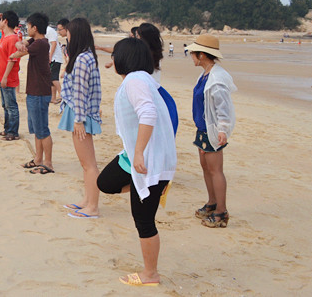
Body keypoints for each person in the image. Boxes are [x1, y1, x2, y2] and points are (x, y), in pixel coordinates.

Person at [97, 38, 176, 287]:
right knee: (105, 182)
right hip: (139, 158)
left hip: (148, 161)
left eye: (115, 55)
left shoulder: (134, 81)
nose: (113, 59)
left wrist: (140, 152)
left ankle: (150, 274)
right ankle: (146, 189)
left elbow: (148, 113)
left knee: (143, 220)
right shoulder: (141, 78)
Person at [188, 34, 236, 228]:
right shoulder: (205, 74)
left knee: (215, 170)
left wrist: (223, 129)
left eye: (193, 53)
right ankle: (212, 202)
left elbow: (223, 107)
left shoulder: (216, 79)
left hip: (212, 129)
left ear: (202, 55)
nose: (191, 56)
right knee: (206, 167)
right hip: (202, 128)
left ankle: (221, 212)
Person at [59, 17, 103, 218]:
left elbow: (80, 92)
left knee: (89, 164)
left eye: (68, 32)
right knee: (86, 164)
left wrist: (78, 120)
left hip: (81, 114)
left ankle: (92, 206)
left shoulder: (83, 59)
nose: (66, 36)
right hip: (79, 111)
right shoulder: (84, 56)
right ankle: (87, 200)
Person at [11, 13, 53, 174]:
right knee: (37, 129)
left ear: (34, 28)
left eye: (28, 26)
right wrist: (19, 45)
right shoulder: (36, 41)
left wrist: (16, 51)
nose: (26, 29)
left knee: (43, 130)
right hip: (34, 91)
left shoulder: (41, 44)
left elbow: (19, 52)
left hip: (40, 92)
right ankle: (38, 159)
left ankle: (48, 163)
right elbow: (21, 44)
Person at [0, 11, 21, 140]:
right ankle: (7, 128)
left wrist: (5, 77)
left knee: (11, 106)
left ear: (5, 21)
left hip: (8, 78)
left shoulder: (13, 39)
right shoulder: (4, 36)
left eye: (0, 20)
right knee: (5, 105)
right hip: (1, 77)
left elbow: (12, 60)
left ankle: (13, 132)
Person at [46, 21, 65, 105]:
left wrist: (50, 56)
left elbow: (54, 43)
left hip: (55, 58)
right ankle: (53, 98)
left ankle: (61, 94)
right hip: (53, 57)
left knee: (53, 78)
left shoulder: (49, 30)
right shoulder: (46, 30)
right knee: (52, 79)